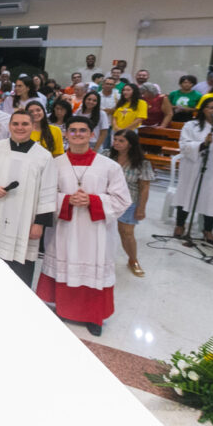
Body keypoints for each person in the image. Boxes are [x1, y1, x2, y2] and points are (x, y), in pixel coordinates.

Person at [38, 116, 131, 336]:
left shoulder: (109, 166)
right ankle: (63, 309)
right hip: (65, 229)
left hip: (96, 232)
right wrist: (65, 200)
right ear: (66, 134)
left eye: (83, 130)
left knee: (93, 269)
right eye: (73, 130)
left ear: (92, 134)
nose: (77, 134)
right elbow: (43, 195)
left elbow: (122, 200)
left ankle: (93, 317)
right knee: (64, 265)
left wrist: (93, 201)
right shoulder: (55, 164)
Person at [0, 109, 57, 286]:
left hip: (26, 220)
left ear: (33, 126)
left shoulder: (43, 156)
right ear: (9, 126)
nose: (20, 127)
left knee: (21, 269)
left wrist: (39, 223)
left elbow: (48, 192)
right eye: (15, 124)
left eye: (25, 124)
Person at [173, 98, 213, 245]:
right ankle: (180, 225)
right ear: (203, 109)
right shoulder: (191, 125)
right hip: (193, 167)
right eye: (211, 107)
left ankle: (208, 230)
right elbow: (184, 144)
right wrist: (202, 144)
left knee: (211, 198)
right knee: (186, 195)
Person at [108, 130, 153, 277]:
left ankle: (133, 260)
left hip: (128, 202)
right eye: (115, 139)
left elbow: (144, 187)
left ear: (131, 144)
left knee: (126, 233)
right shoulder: (106, 155)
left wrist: (141, 208)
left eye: (121, 141)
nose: (116, 143)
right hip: (106, 200)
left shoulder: (142, 163)